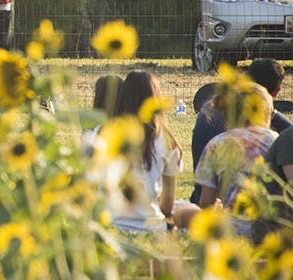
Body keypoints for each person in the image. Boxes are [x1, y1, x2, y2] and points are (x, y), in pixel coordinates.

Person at [104, 70, 199, 233]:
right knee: (194, 211)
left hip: (111, 224)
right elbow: (167, 207)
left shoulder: (106, 133)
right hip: (150, 226)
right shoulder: (167, 141)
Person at [190, 59, 292, 202]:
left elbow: (206, 201)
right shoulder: (273, 139)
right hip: (258, 212)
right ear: (275, 92)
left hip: (206, 197)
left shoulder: (211, 109)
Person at [194, 83, 278, 236]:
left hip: (232, 232)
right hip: (272, 232)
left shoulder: (216, 145)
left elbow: (206, 203)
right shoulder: (275, 140)